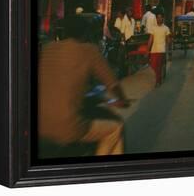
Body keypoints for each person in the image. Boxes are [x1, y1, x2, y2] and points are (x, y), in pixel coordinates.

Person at [38, 14, 129, 156]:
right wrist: (122, 100)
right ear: (87, 32)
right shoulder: (89, 50)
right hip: (67, 127)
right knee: (115, 128)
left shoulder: (48, 48)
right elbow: (113, 84)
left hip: (38, 124)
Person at [147, 10, 171, 86]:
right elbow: (151, 39)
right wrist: (148, 49)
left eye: (160, 18)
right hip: (154, 50)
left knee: (159, 66)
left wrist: (168, 49)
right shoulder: (153, 28)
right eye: (158, 18)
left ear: (163, 19)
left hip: (162, 50)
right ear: (156, 19)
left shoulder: (166, 28)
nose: (159, 19)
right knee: (153, 65)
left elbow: (168, 39)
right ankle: (159, 77)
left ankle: (158, 81)